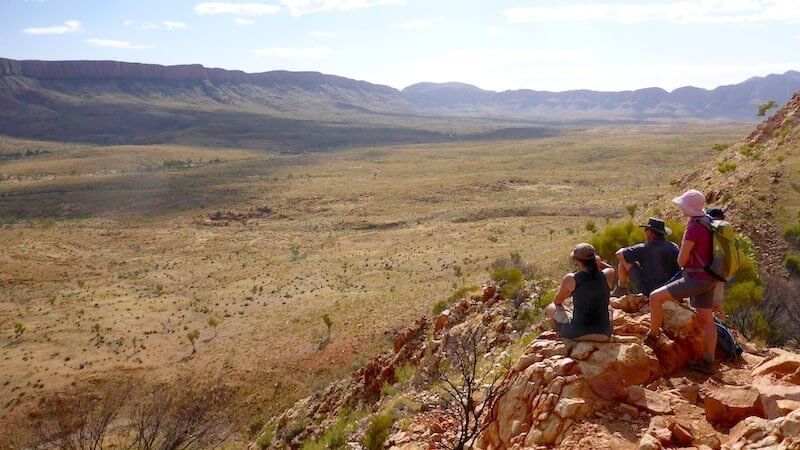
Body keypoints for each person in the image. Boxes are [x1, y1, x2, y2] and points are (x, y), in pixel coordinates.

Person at [646, 189, 719, 374]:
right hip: (710, 278)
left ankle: (653, 336)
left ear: (688, 207)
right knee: (707, 320)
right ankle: (708, 360)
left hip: (695, 278)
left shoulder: (694, 227)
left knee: (655, 297)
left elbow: (681, 260)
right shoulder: (709, 221)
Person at [545, 243, 615, 341]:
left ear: (577, 261)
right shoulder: (607, 274)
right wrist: (598, 262)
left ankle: (560, 334)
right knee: (609, 308)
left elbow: (557, 302)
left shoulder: (571, 278)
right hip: (604, 333)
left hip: (578, 332)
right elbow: (610, 268)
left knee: (551, 308)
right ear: (595, 259)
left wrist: (567, 309)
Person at [612, 218, 680, 297]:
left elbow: (618, 254)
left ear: (650, 232)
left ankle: (621, 288)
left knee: (623, 257)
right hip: (671, 289)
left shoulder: (644, 248)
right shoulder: (674, 246)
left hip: (648, 290)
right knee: (626, 255)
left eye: (646, 230)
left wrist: (626, 252)